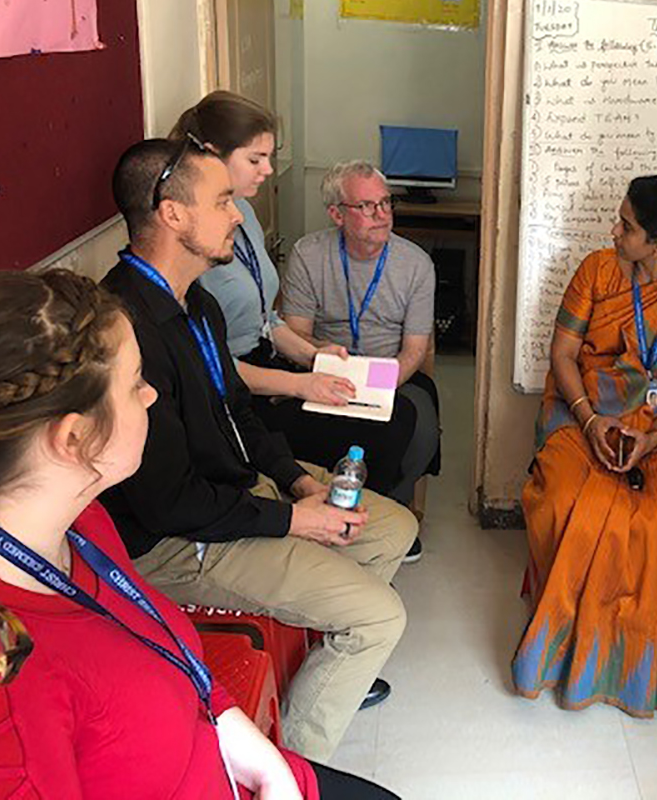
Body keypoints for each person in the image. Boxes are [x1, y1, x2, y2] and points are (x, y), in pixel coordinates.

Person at [0, 268, 400, 798]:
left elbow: (172, 657)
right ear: (75, 438)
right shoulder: (12, 697)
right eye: (137, 383)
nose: (150, 398)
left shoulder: (83, 527)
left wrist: (257, 753)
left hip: (235, 761)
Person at [98, 137, 418, 761]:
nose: (238, 213)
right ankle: (294, 762)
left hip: (237, 493)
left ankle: (316, 660)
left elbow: (238, 413)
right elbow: (169, 502)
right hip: (180, 541)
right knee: (381, 616)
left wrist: (298, 484)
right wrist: (297, 521)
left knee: (392, 528)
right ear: (172, 214)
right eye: (222, 200)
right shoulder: (123, 328)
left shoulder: (198, 305)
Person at [511, 175, 657, 717]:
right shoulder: (597, 270)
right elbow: (563, 355)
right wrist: (591, 420)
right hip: (583, 411)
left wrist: (652, 438)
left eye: (626, 225)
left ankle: (634, 646)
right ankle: (566, 642)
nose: (614, 230)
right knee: (568, 501)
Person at [172, 93, 428, 563]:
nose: (268, 170)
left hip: (270, 363)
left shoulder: (241, 213)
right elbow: (208, 361)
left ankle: (358, 521)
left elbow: (267, 320)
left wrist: (317, 358)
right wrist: (299, 380)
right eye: (256, 158)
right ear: (209, 155)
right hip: (240, 387)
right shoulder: (191, 237)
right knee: (389, 426)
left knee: (400, 416)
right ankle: (346, 529)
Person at [282, 160, 441, 562]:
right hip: (324, 368)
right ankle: (325, 506)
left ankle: (390, 507)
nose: (382, 214)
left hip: (392, 371)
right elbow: (295, 332)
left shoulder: (416, 264)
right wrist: (333, 370)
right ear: (337, 213)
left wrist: (381, 387)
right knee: (295, 420)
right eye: (367, 207)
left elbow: (415, 349)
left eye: (386, 203)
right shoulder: (307, 254)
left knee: (417, 426)